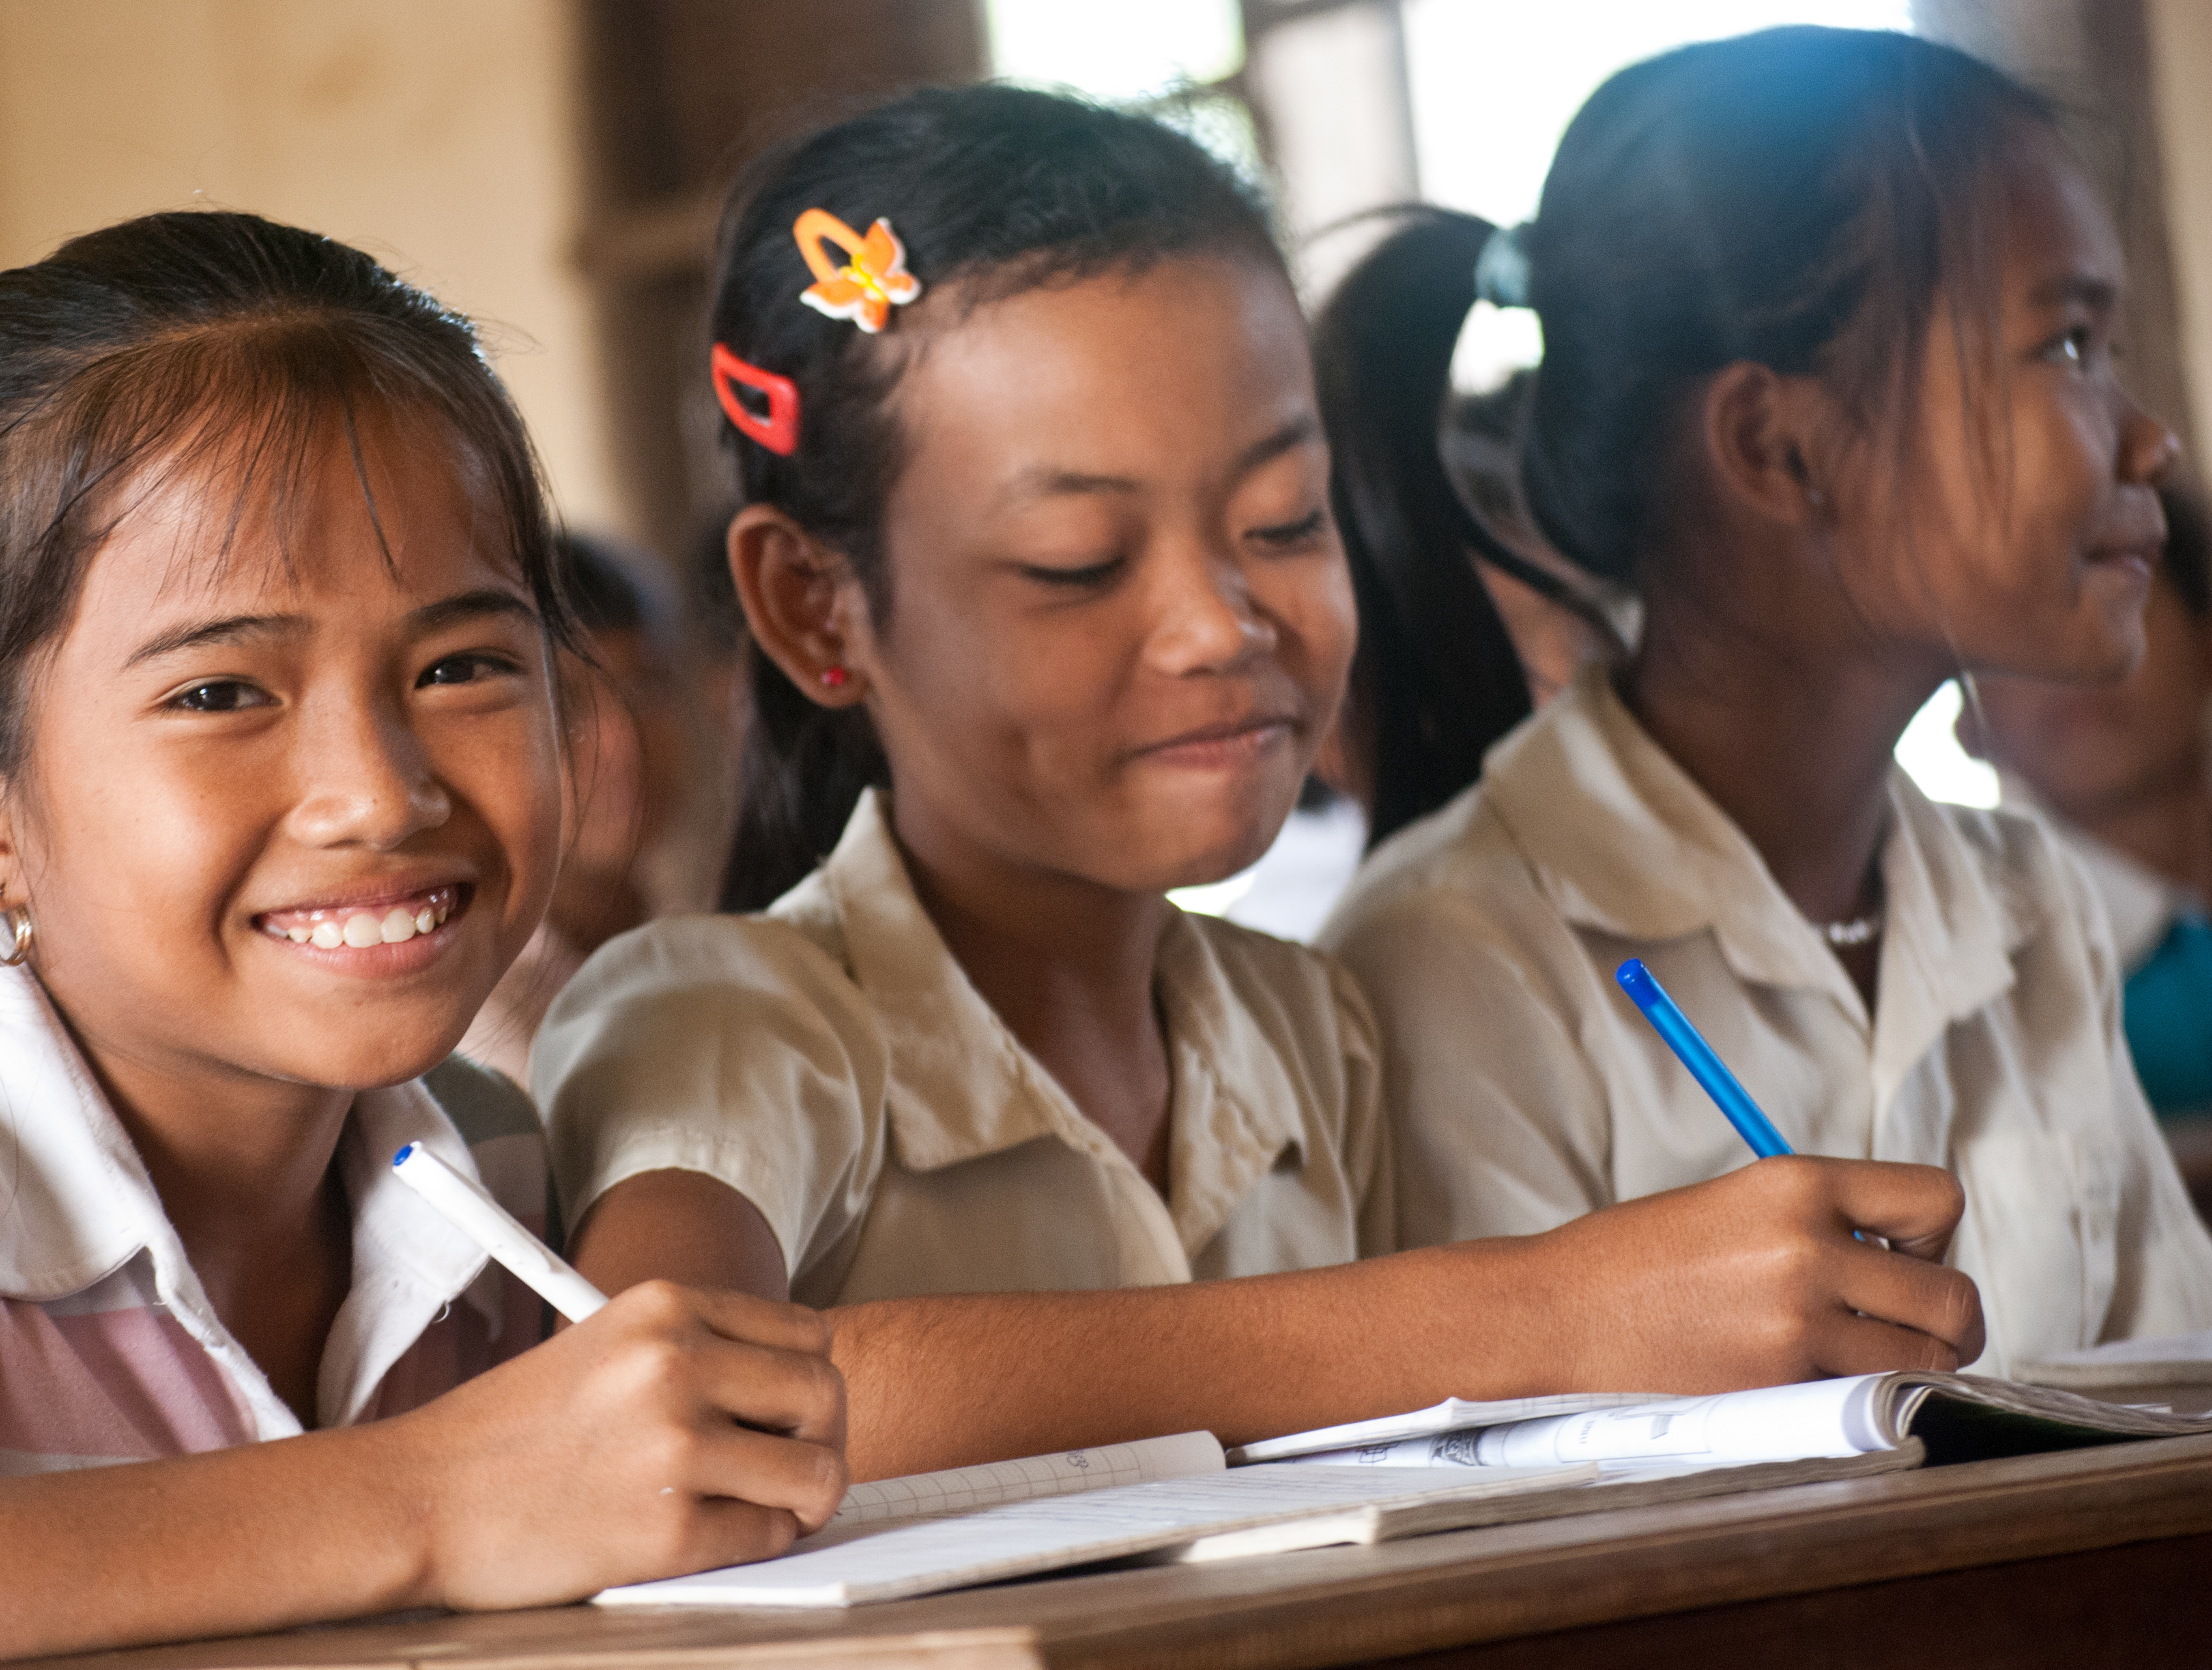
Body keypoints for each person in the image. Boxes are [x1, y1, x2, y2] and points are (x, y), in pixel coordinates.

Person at [534, 84, 1983, 1484]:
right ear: (812, 605)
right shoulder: (727, 1022)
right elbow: (668, 1400)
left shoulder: (1311, 1038)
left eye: (1283, 522)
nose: (1221, 625)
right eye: (1079, 565)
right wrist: (1529, 1313)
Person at [0, 211, 845, 1670]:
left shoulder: (496, 1181)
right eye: (222, 694)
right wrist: (431, 1504)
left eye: (462, 664)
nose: (380, 793)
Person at [1312, 27, 2212, 1377]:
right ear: (1773, 445)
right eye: (2068, 344)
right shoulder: (1461, 967)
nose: (2153, 439)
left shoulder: (2032, 908)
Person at [1964, 487, 2212, 1121]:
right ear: (1967, 726)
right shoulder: (1981, 978)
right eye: (2012, 634)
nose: (2070, 660)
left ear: (2203, 638)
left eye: (2112, 597)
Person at [461, 532, 688, 1082]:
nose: (622, 742)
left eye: (646, 689)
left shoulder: (723, 944)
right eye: (568, 702)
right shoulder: (469, 1022)